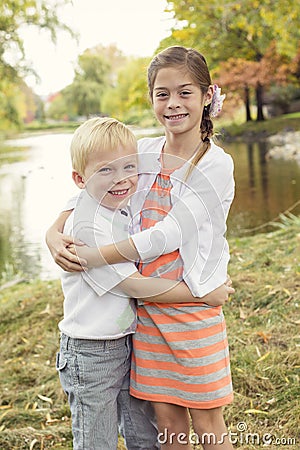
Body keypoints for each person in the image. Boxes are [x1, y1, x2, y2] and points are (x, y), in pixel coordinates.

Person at [47, 46, 235, 449]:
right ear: (151, 100)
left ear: (207, 96)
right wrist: (53, 230)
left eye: (185, 92)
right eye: (162, 94)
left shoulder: (214, 164)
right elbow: (92, 189)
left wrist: (96, 256)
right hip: (146, 319)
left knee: (207, 419)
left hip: (192, 312)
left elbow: (164, 236)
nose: (173, 103)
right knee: (165, 422)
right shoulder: (145, 152)